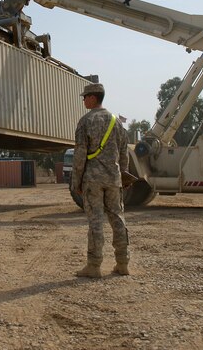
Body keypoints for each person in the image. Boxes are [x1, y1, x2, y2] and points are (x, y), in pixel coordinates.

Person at [70, 83, 131, 278]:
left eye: (85, 97)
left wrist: (76, 182)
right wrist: (123, 174)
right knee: (118, 219)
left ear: (93, 98)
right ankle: (123, 263)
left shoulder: (85, 121)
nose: (83, 100)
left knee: (96, 221)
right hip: (114, 179)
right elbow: (124, 153)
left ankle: (94, 266)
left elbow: (80, 155)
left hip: (92, 180)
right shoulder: (117, 122)